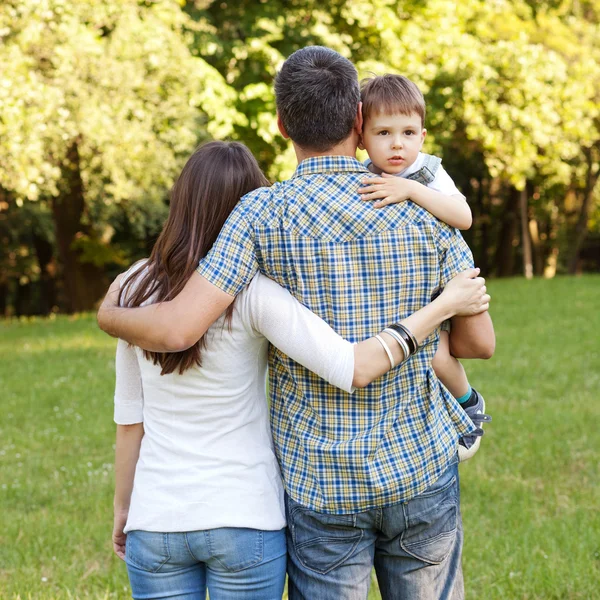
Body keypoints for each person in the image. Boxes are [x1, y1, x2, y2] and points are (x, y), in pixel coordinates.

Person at [99, 46, 495, 600]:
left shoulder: (260, 214)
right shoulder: (423, 206)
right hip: (418, 465)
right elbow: (478, 344)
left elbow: (179, 330)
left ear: (282, 124)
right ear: (359, 121)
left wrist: (110, 315)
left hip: (319, 481)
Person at [356, 73, 491, 460]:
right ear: (361, 137)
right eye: (383, 133)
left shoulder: (428, 172)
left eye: (408, 133)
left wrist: (413, 189)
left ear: (423, 136)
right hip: (402, 292)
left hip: (442, 288)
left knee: (436, 355)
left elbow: (463, 215)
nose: (397, 144)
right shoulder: (362, 177)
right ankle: (432, 421)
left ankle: (467, 402)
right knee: (413, 359)